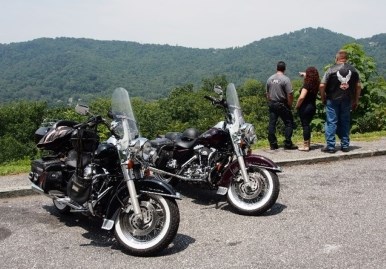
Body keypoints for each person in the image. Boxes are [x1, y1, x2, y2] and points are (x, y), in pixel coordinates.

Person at [319, 49, 362, 153]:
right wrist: (355, 100)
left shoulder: (331, 70)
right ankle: (345, 145)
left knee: (331, 122)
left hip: (332, 99)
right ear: (346, 58)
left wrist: (323, 97)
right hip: (347, 99)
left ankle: (330, 146)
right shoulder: (354, 70)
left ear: (337, 58)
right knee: (345, 121)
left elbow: (322, 85)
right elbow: (359, 86)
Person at [266, 61, 297, 150]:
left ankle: (273, 144)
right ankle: (288, 143)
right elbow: (290, 94)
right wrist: (289, 104)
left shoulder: (270, 79)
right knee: (288, 123)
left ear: (277, 68)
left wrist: (270, 101)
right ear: (284, 69)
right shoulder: (285, 79)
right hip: (282, 104)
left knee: (272, 123)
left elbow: (267, 93)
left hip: (272, 103)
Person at [295, 67, 320, 151]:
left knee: (305, 125)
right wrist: (304, 74)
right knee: (307, 125)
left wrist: (297, 105)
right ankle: (308, 144)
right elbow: (311, 76)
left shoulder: (307, 85)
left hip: (305, 107)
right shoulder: (316, 83)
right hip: (312, 106)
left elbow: (302, 97)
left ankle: (306, 146)